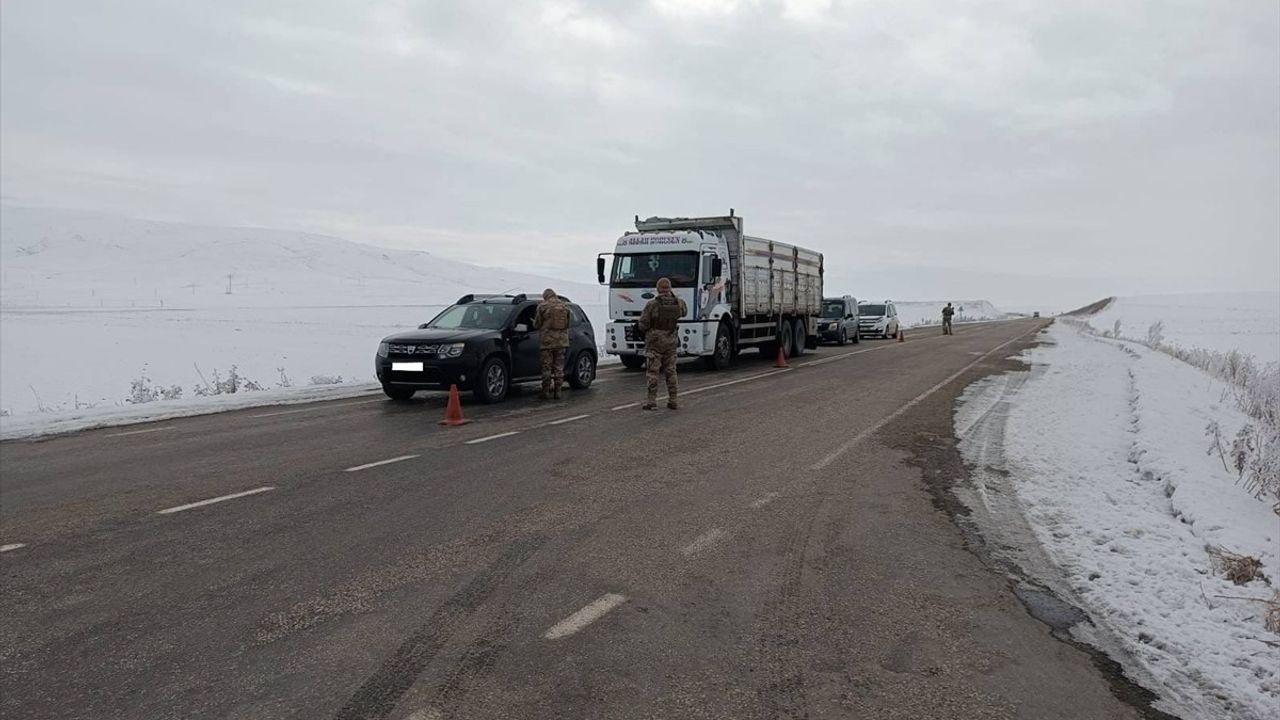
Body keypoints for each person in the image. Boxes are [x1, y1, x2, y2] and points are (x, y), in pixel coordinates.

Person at [638, 277, 687, 410]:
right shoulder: (679, 303)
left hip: (655, 341)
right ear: (670, 288)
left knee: (653, 372)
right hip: (671, 340)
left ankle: (652, 401)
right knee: (671, 371)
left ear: (658, 289)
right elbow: (684, 312)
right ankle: (673, 400)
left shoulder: (652, 304)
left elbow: (643, 324)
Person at [533, 288, 571, 400]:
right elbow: (568, 324)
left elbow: (537, 324)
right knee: (559, 368)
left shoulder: (542, 306)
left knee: (547, 368)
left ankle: (545, 391)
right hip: (562, 341)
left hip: (547, 342)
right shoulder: (565, 306)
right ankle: (558, 391)